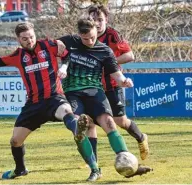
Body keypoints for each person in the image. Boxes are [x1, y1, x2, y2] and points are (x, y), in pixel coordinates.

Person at [0, 22, 99, 181]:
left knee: (67, 113)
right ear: (18, 39)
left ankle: (93, 167)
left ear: (34, 34)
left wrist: (64, 67)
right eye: (24, 38)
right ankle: (20, 169)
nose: (29, 40)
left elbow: (66, 55)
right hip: (34, 104)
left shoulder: (49, 45)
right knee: (15, 141)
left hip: (54, 97)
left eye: (31, 36)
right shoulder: (18, 56)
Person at [58, 17, 152, 181]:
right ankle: (95, 169)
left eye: (93, 37)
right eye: (85, 39)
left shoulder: (105, 50)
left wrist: (124, 81)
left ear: (96, 31)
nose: (89, 41)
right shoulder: (69, 41)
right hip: (73, 92)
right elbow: (46, 47)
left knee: (109, 122)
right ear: (79, 35)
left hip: (95, 91)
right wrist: (56, 49)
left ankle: (128, 163)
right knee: (80, 127)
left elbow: (116, 74)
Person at [86, 4, 149, 162]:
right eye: (93, 19)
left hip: (112, 85)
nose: (97, 23)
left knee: (120, 121)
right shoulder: (85, 36)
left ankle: (141, 138)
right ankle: (92, 161)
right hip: (92, 87)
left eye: (100, 19)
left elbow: (129, 55)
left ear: (106, 19)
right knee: (89, 122)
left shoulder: (112, 35)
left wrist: (108, 63)